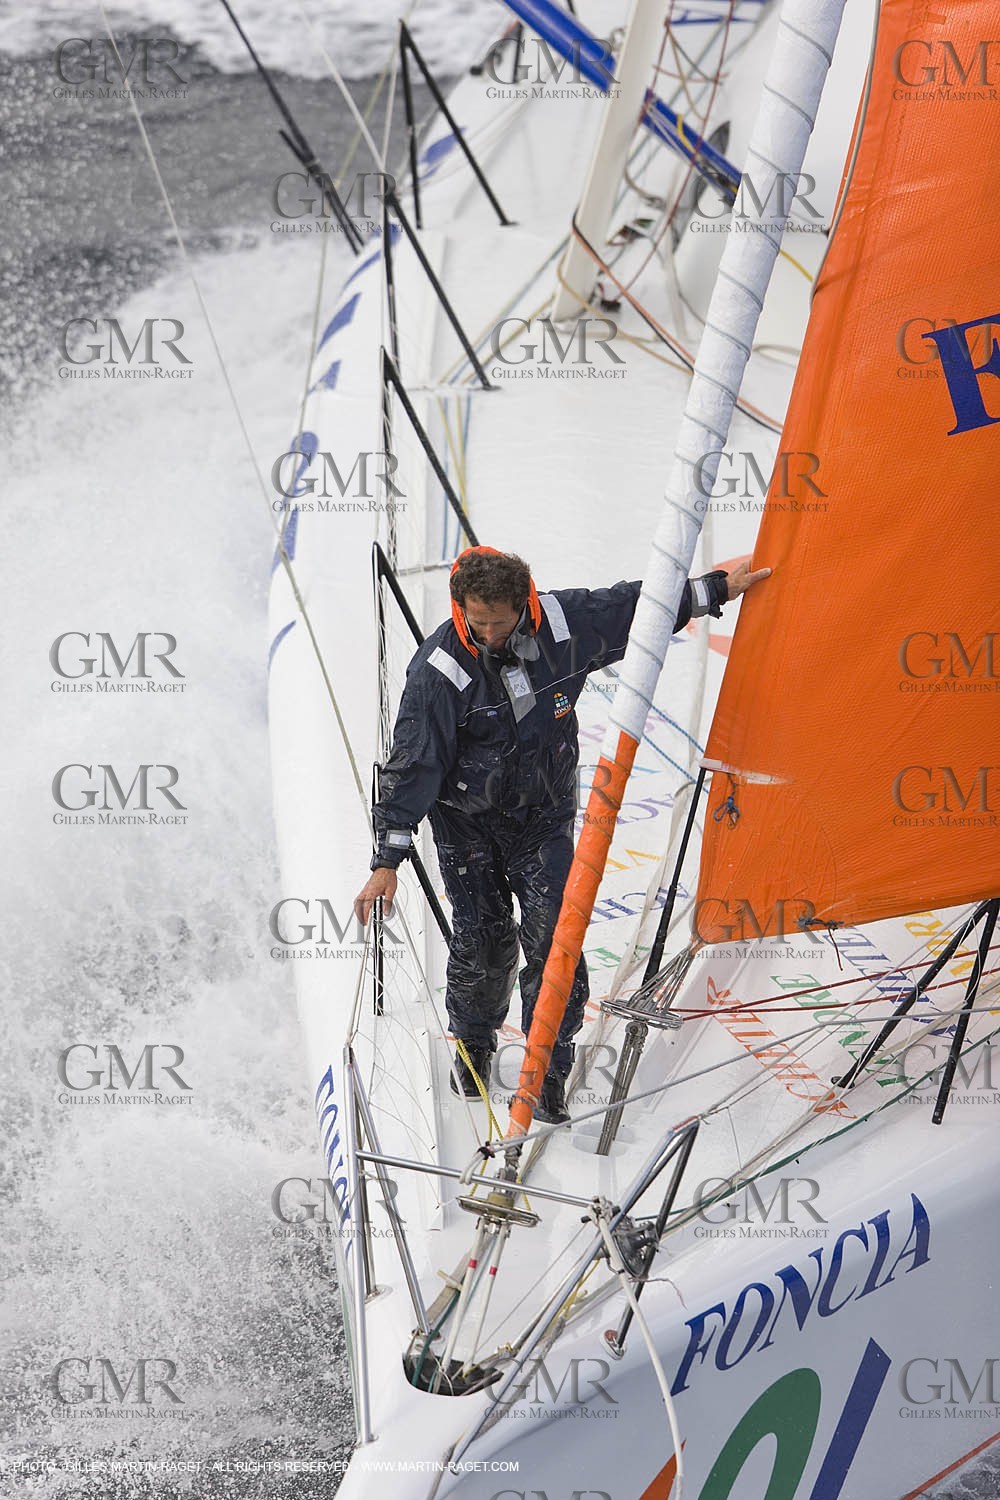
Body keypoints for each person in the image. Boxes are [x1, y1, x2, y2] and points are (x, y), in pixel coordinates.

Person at [354, 546, 769, 1122]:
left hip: (543, 817)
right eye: (479, 622)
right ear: (460, 610)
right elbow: (413, 763)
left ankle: (547, 1066)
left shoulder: (562, 624)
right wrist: (387, 862)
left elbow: (633, 607)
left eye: (503, 621)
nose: (493, 634)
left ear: (525, 602)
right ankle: (474, 1048)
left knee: (556, 942)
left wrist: (712, 590)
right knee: (483, 942)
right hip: (467, 825)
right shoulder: (438, 670)